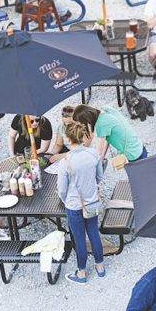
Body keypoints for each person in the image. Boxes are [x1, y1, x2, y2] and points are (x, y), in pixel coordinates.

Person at [57, 122, 105, 284]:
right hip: (91, 203)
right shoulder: (93, 154)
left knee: (79, 238)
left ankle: (82, 272)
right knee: (93, 233)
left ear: (69, 139)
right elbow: (99, 177)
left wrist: (65, 201)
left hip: (74, 205)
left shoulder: (66, 162)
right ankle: (100, 267)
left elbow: (62, 189)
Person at [72, 104, 147, 162]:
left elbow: (98, 151)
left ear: (86, 119)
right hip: (138, 146)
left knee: (140, 179)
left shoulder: (100, 125)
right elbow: (107, 138)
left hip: (133, 155)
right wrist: (102, 157)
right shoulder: (106, 109)